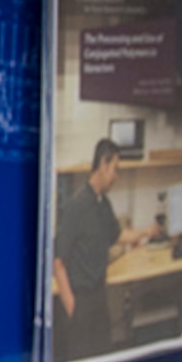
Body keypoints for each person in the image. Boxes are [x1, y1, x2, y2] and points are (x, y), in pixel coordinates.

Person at [51, 138, 151, 351]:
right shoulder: (75, 207)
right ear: (103, 165)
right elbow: (58, 262)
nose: (116, 176)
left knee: (103, 356)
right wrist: (72, 308)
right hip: (81, 301)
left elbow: (116, 235)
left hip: (99, 297)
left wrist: (145, 232)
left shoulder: (103, 204)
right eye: (115, 169)